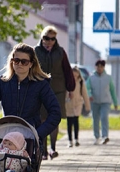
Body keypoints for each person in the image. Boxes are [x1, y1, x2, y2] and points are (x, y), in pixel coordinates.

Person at [0, 43, 61, 156]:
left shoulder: (41, 85)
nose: (19, 64)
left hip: (30, 139)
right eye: (16, 60)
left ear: (31, 64)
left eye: (24, 62)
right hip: (6, 137)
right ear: (12, 61)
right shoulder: (2, 83)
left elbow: (56, 113)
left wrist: (38, 134)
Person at [34, 25, 75, 159]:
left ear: (55, 39)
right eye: (46, 38)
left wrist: (71, 89)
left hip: (58, 89)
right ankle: (43, 151)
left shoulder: (61, 52)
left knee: (55, 118)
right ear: (42, 38)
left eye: (52, 39)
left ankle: (53, 148)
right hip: (40, 89)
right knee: (42, 119)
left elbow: (67, 71)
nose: (49, 41)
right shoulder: (35, 51)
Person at [86, 59, 118, 145]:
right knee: (95, 119)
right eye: (98, 66)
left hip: (106, 102)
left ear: (104, 67)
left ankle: (105, 136)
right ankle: (97, 137)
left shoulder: (108, 78)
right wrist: (89, 95)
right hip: (95, 101)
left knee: (104, 117)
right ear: (95, 67)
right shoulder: (91, 78)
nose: (99, 68)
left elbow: (112, 90)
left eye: (101, 66)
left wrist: (115, 102)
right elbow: (87, 88)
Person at [65, 66, 91, 147]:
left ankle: (76, 139)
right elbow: (64, 93)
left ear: (79, 75)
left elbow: (85, 94)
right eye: (73, 76)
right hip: (69, 104)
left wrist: (87, 106)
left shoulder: (81, 82)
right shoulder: (67, 82)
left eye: (76, 76)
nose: (75, 77)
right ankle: (70, 141)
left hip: (78, 104)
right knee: (69, 122)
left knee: (76, 121)